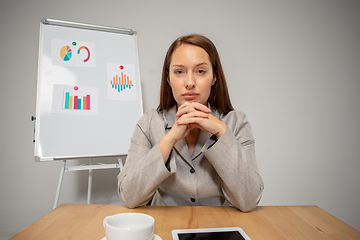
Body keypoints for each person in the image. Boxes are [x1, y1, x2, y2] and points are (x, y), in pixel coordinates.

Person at [117, 34, 263, 212]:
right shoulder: (149, 122)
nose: (190, 83)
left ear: (214, 77)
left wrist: (220, 131)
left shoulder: (236, 122)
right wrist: (170, 138)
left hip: (218, 228)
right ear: (168, 78)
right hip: (165, 226)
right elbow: (129, 196)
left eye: (200, 71)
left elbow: (249, 201)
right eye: (179, 72)